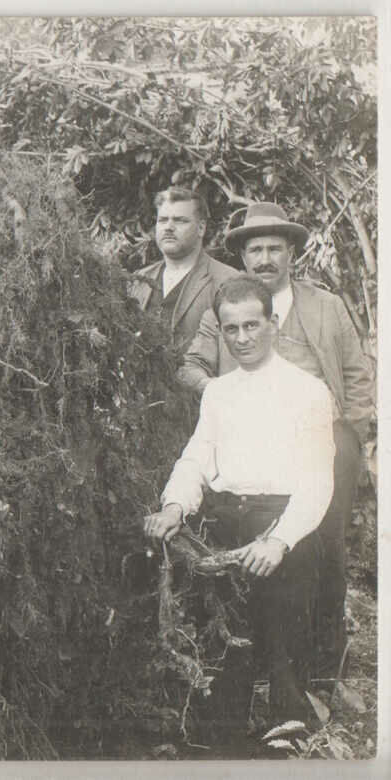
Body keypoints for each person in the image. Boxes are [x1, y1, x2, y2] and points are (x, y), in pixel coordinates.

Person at [178, 202, 373, 680]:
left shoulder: (325, 305)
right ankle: (253, 657)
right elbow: (190, 366)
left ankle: (324, 662)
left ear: (292, 254)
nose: (264, 259)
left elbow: (358, 377)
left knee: (323, 541)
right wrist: (229, 396)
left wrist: (353, 436)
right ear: (243, 257)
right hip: (251, 441)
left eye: (274, 249)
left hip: (320, 435)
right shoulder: (222, 310)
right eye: (255, 249)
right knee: (231, 534)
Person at [144, 275, 335, 753]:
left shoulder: (308, 392)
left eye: (253, 325)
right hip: (226, 524)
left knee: (280, 638)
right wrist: (174, 505)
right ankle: (221, 736)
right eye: (232, 329)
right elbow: (196, 459)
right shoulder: (219, 392)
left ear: (273, 323)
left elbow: (317, 482)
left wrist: (279, 541)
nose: (243, 338)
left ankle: (286, 731)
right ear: (222, 331)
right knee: (223, 644)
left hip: (284, 525)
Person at [128, 187, 239, 353]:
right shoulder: (138, 280)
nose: (169, 227)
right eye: (163, 220)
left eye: (180, 220)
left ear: (201, 228)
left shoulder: (228, 281)